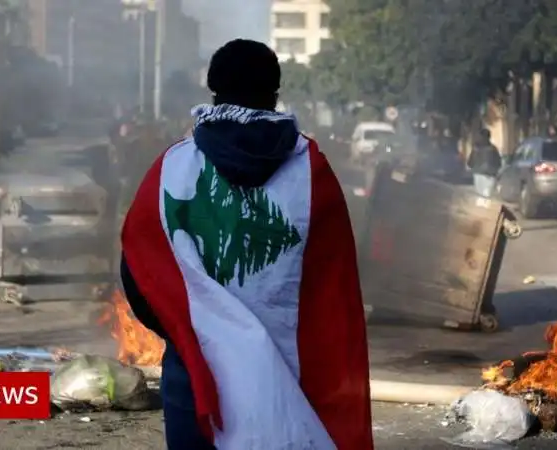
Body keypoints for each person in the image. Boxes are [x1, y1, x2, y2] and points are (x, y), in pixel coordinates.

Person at [120, 39, 373, 450]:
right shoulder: (312, 170)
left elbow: (137, 272)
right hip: (290, 383)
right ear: (275, 94)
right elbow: (335, 286)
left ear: (214, 91)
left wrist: (185, 332)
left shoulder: (173, 168)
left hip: (197, 378)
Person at [467, 128, 502, 198]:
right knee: (486, 196)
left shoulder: (476, 148)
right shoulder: (493, 149)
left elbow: (470, 162)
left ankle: (481, 207)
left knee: (481, 196)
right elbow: (498, 162)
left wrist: (471, 167)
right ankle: (483, 207)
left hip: (479, 174)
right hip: (489, 175)